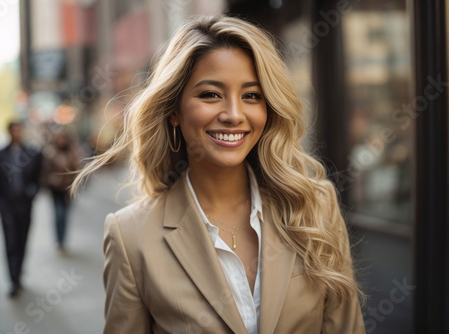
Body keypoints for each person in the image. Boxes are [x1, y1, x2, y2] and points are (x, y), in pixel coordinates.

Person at [72, 15, 365, 333]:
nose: (234, 115)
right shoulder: (130, 236)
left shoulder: (315, 206)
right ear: (173, 110)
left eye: (251, 96)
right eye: (210, 94)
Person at [0, 121, 42, 297]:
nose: (17, 133)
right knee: (10, 241)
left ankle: (18, 273)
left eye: (19, 130)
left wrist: (31, 193)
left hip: (25, 204)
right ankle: (13, 280)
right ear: (9, 132)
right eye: (14, 130)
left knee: (22, 241)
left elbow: (39, 177)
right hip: (7, 205)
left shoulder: (32, 154)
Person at [42, 130, 80, 253]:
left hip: (67, 190)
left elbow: (77, 170)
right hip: (56, 189)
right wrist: (51, 180)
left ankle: (63, 241)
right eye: (59, 138)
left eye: (63, 138)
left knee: (64, 215)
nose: (61, 141)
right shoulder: (51, 153)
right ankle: (59, 241)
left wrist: (73, 183)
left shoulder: (73, 153)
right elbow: (45, 171)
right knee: (58, 214)